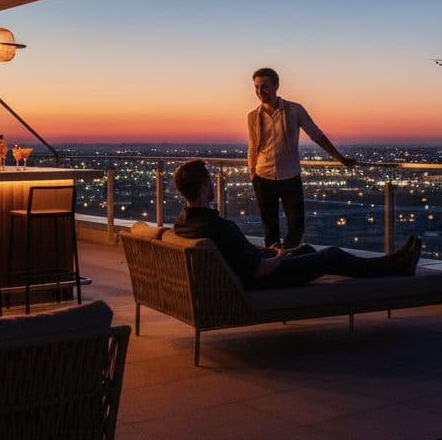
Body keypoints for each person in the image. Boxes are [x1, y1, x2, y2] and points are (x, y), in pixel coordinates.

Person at [172, 160, 420, 289]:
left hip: (242, 272)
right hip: (261, 280)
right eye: (210, 182)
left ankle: (393, 261)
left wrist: (273, 253)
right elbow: (257, 270)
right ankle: (395, 267)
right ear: (204, 187)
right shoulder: (219, 227)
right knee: (331, 255)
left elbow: (239, 256)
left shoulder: (183, 224)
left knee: (308, 250)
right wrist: (278, 257)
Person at [248, 67, 353, 249]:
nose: (259, 92)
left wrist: (339, 158)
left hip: (290, 177)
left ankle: (285, 261)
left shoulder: (294, 110)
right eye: (256, 87)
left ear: (276, 86)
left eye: (264, 86)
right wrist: (252, 174)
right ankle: (277, 269)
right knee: (270, 231)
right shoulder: (253, 116)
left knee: (297, 228)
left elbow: (316, 135)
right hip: (263, 178)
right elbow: (253, 146)